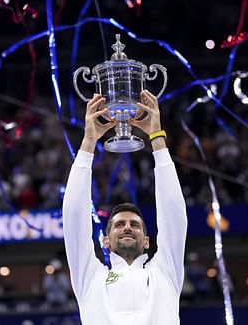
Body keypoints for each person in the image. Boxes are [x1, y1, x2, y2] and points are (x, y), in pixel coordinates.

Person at [62, 91, 188, 324]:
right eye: (119, 224)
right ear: (106, 241)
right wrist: (88, 142)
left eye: (135, 225)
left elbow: (174, 215)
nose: (128, 227)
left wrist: (157, 138)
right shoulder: (90, 277)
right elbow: (73, 218)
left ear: (148, 241)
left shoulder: (164, 272)